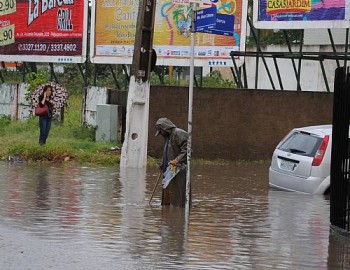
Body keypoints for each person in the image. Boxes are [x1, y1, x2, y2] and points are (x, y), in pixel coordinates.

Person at [155, 117, 190, 207]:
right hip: (169, 170)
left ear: (164, 128)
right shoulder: (168, 137)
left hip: (179, 169)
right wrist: (162, 164)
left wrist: (177, 160)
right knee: (167, 193)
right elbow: (167, 152)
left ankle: (178, 213)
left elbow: (187, 149)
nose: (161, 134)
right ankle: (168, 213)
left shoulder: (179, 133)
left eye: (161, 131)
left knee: (178, 194)